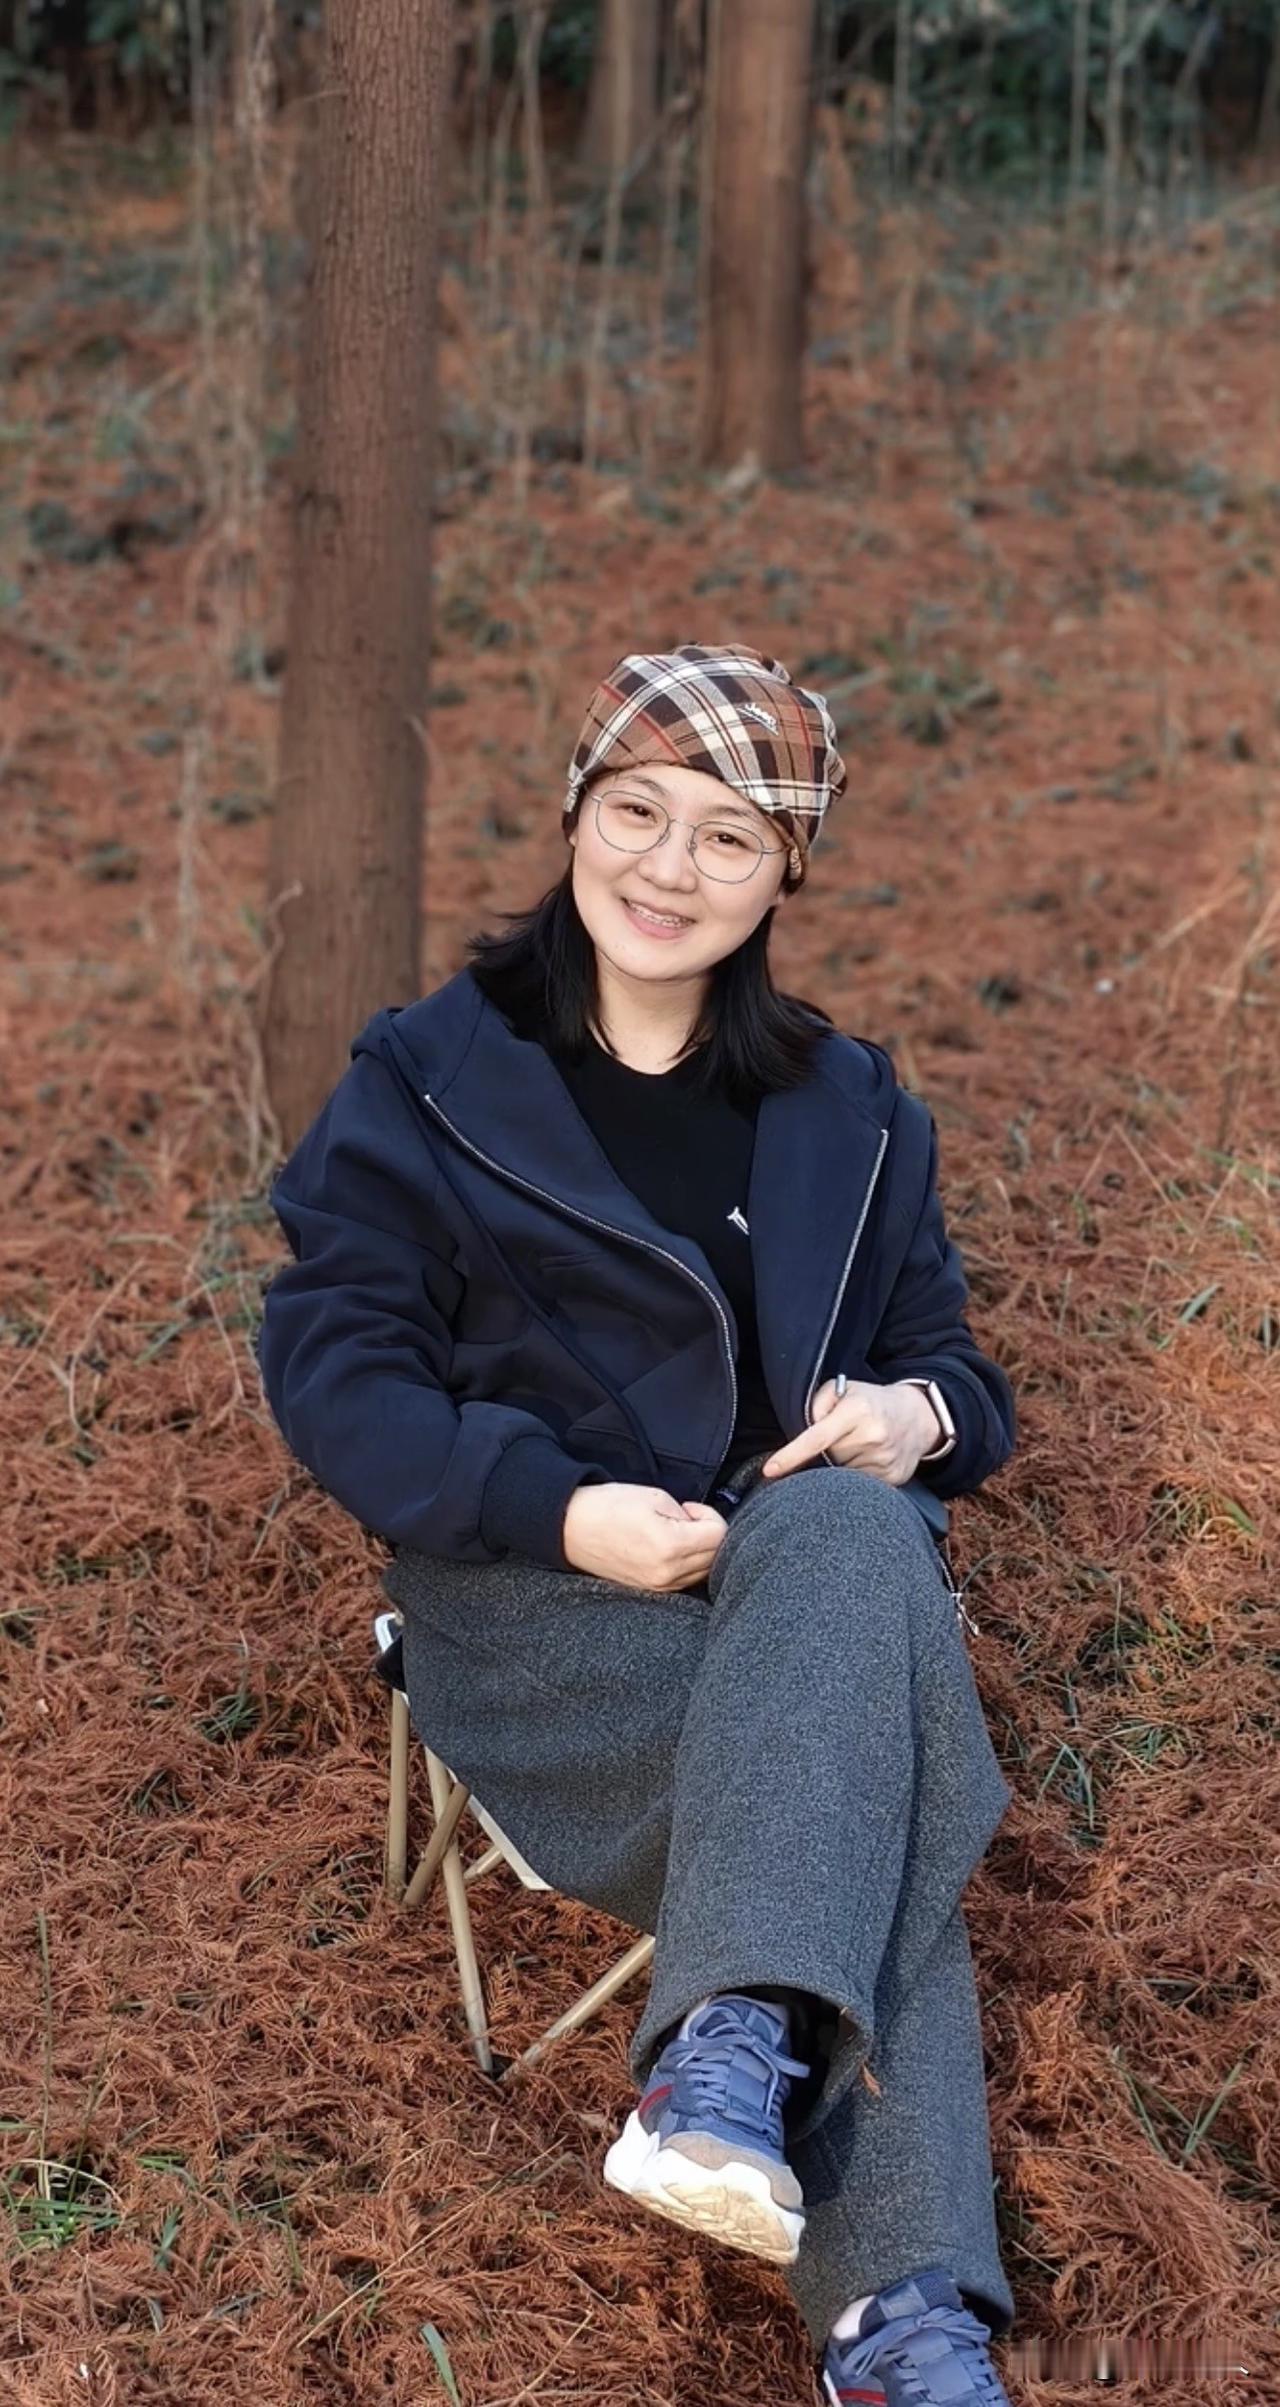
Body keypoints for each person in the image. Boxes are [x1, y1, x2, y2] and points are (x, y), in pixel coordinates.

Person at [259, 643, 1020, 2407]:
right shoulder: (430, 1082)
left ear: (784, 875)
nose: (670, 869)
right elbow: (337, 1372)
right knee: (874, 1785)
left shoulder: (851, 1108)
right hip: (541, 1602)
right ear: (577, 816)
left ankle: (729, 2054)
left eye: (728, 839)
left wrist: (916, 1417)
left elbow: (955, 1375)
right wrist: (560, 1508)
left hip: (794, 1596)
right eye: (638, 813)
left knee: (849, 1535)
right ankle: (903, 2323)